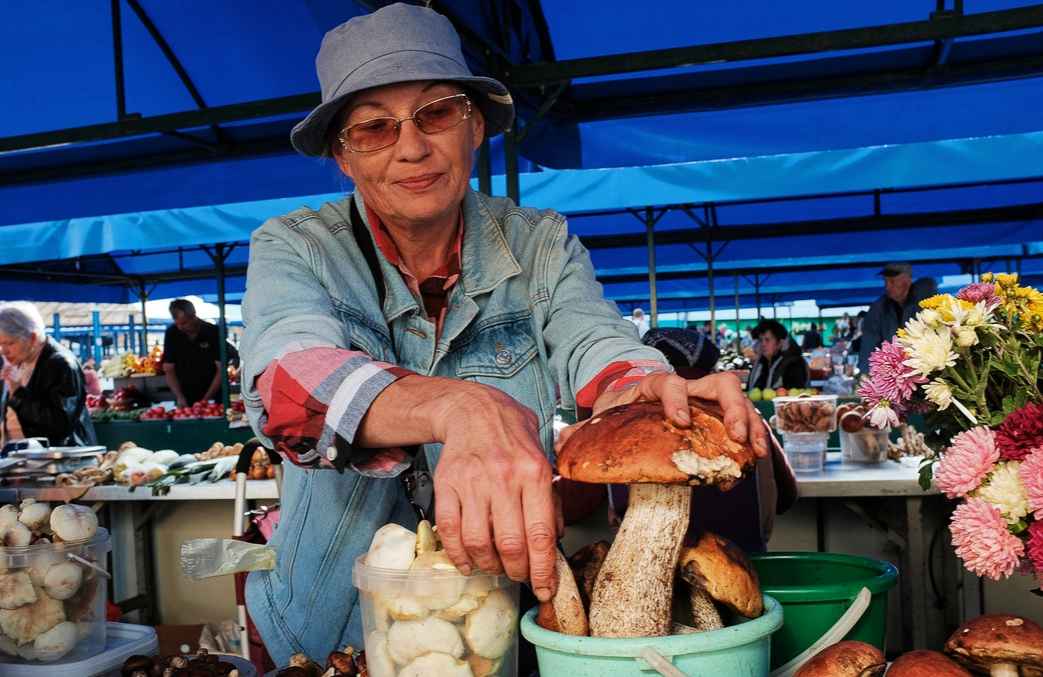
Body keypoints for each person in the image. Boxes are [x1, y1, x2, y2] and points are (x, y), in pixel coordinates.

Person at [238, 4, 768, 664]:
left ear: (476, 125)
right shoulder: (295, 246)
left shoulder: (540, 242)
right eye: (374, 127)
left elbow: (592, 340)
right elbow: (285, 382)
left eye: (436, 113)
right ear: (343, 156)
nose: (411, 147)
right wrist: (458, 405)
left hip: (501, 625)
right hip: (330, 628)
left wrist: (643, 387)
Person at [607, 328, 798, 553]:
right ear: (709, 369)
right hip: (745, 561)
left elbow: (577, 507)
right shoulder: (740, 416)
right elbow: (787, 497)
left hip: (644, 563)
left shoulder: (619, 425)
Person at [0, 302, 96, 447]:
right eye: (0, 344)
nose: (3, 351)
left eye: (10, 343)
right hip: (21, 454)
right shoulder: (19, 360)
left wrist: (18, 394)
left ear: (32, 338)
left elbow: (59, 423)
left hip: (58, 456)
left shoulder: (61, 364)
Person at [857, 263, 937, 373]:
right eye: (885, 282)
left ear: (907, 281)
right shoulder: (878, 308)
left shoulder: (925, 301)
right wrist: (866, 373)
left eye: (892, 281)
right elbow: (869, 343)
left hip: (927, 367)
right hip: (895, 372)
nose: (887, 287)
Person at [161, 299, 238, 407]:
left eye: (184, 323)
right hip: (185, 393)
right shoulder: (172, 333)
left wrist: (206, 399)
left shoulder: (213, 331)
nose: (180, 327)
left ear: (194, 316)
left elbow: (221, 369)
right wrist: (179, 396)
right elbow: (169, 369)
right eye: (177, 323)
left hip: (214, 393)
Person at [746, 319, 809, 392]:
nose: (763, 344)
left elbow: (794, 393)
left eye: (767, 340)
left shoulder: (794, 364)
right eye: (760, 340)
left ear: (780, 343)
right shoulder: (760, 364)